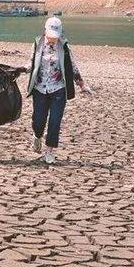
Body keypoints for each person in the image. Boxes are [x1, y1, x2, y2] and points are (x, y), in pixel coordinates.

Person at [25, 16, 92, 164]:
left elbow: (73, 67)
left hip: (58, 90)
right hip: (40, 89)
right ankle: (37, 136)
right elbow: (31, 63)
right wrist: (22, 70)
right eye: (50, 35)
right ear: (45, 31)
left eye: (55, 36)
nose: (52, 39)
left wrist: (82, 84)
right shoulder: (37, 43)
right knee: (38, 121)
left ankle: (49, 151)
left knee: (55, 122)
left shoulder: (64, 46)